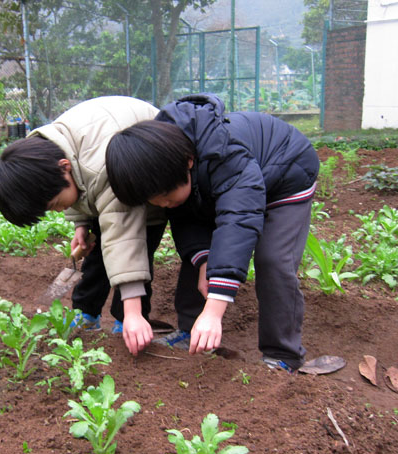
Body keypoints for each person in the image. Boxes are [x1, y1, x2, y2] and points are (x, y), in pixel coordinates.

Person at [105, 93, 319, 371]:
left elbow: (238, 221)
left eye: (166, 196)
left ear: (188, 161)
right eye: (155, 202)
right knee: (198, 255)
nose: (163, 205)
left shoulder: (225, 153)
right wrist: (205, 260)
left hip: (286, 172)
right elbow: (187, 224)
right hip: (217, 186)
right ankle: (191, 329)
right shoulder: (164, 160)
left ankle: (283, 354)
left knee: (273, 259)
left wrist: (214, 310)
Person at [0, 96, 168, 356]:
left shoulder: (100, 168)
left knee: (134, 250)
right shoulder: (50, 153)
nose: (57, 210)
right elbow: (76, 182)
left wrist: (133, 312)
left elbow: (125, 241)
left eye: (54, 204)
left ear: (64, 168)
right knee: (98, 253)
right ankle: (86, 312)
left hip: (149, 178)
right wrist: (81, 224)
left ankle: (127, 320)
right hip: (104, 175)